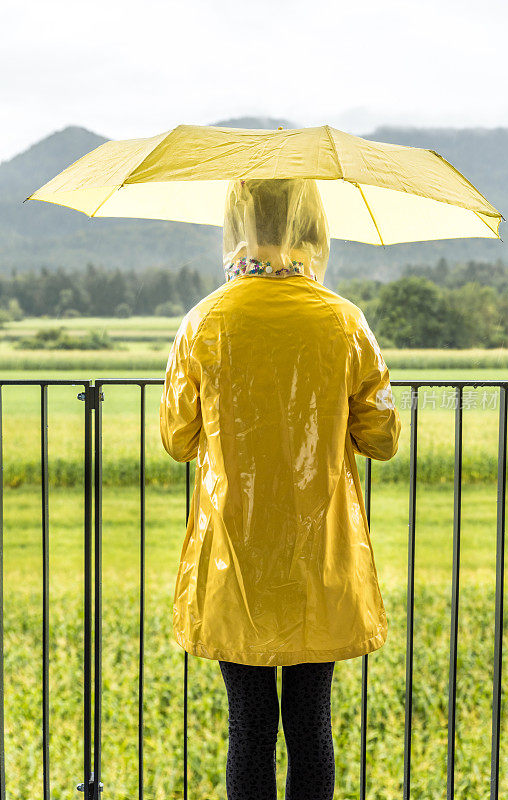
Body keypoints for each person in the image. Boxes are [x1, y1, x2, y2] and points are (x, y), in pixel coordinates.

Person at [160, 177, 402, 800]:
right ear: (313, 229)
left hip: (232, 555)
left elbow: (178, 437)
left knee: (248, 727)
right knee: (309, 719)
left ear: (235, 226)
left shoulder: (204, 320)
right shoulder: (345, 322)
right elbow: (380, 439)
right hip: (317, 559)